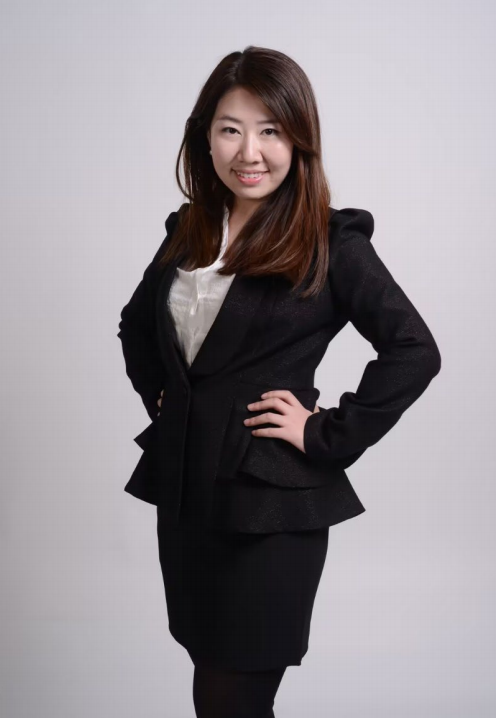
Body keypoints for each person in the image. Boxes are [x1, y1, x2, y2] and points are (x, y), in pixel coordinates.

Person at [117, 45, 442, 717]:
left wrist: (325, 433)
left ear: (298, 140)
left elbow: (414, 350)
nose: (249, 152)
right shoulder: (190, 230)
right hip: (190, 496)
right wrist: (165, 398)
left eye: (270, 130)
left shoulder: (331, 242)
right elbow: (136, 324)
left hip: (270, 509)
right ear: (205, 137)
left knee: (232, 698)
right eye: (230, 129)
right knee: (212, 686)